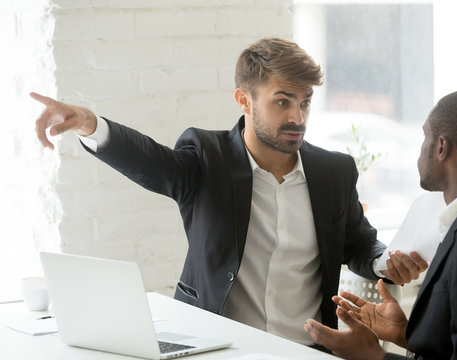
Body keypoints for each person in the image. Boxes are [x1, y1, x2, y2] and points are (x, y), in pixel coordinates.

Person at [31, 38, 427, 346]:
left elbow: (359, 244)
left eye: (305, 102)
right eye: (282, 101)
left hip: (304, 349)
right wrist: (90, 124)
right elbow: (154, 163)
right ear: (244, 100)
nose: (297, 117)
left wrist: (383, 263)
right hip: (218, 347)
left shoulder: (334, 171)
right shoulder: (207, 157)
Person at [304, 89, 457, 359]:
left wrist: (374, 356)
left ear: (441, 147)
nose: (421, 149)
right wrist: (405, 334)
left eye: (425, 136)